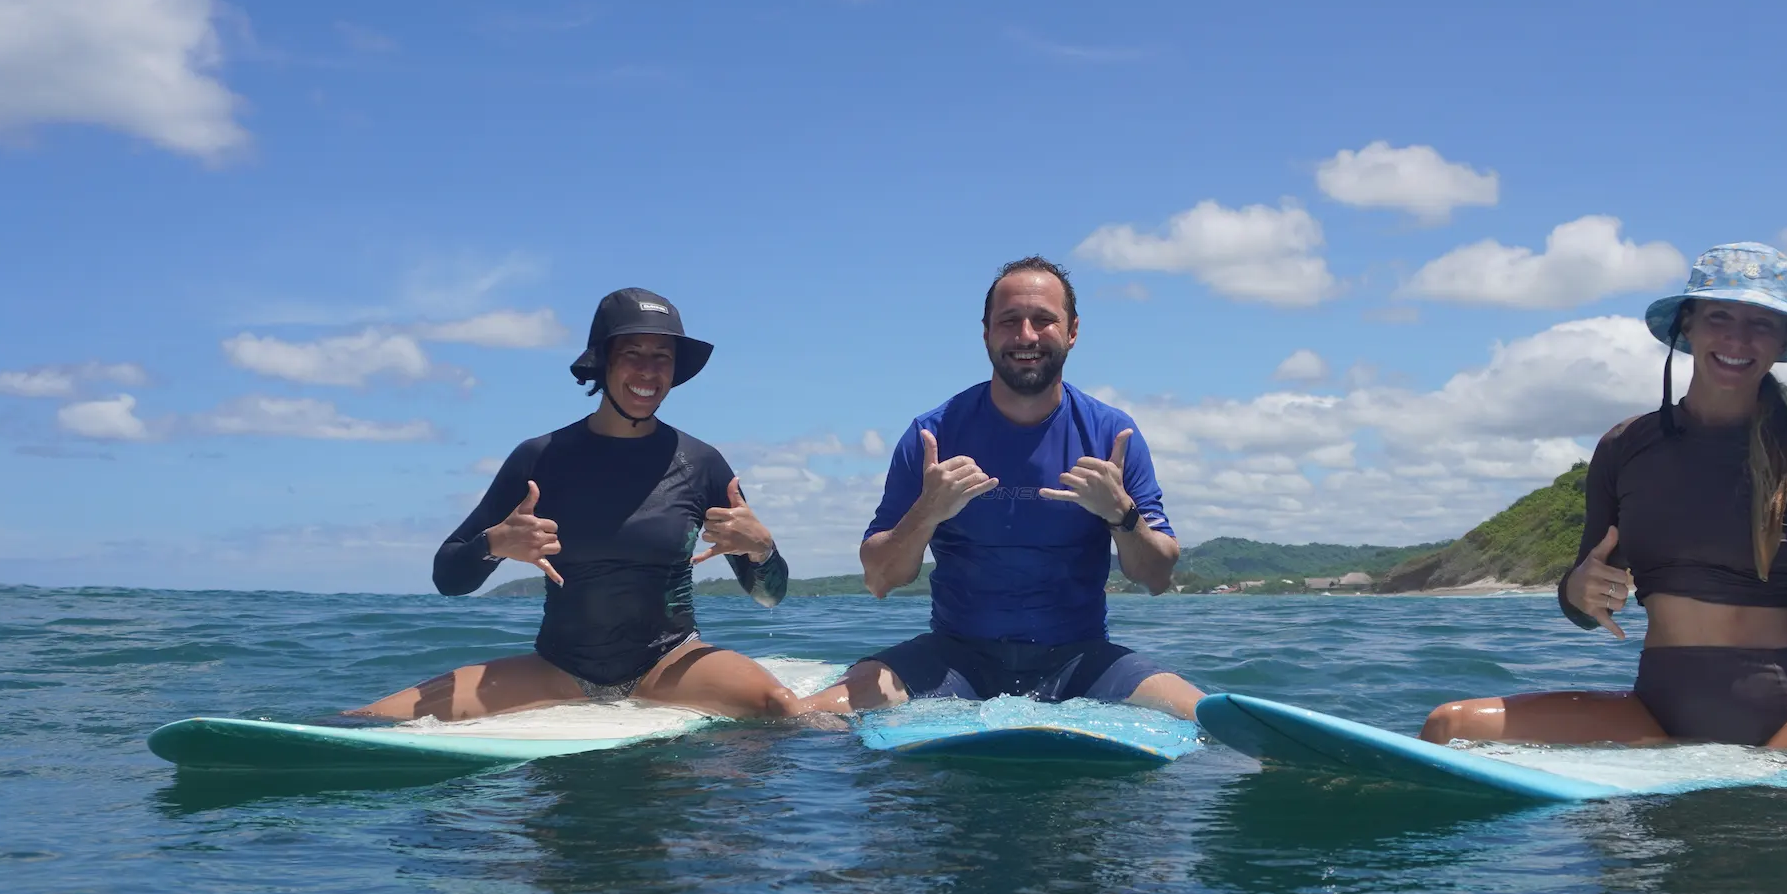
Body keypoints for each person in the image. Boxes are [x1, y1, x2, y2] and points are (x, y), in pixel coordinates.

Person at [1419, 242, 1787, 779]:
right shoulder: (1626, 446)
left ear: (1786, 339)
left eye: (1761, 324)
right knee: (1449, 725)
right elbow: (1584, 601)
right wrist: (1577, 591)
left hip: (1786, 713)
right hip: (1656, 708)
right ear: (1688, 326)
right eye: (1719, 317)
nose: (1736, 339)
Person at [355, 288, 804, 722]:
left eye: (661, 357)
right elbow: (448, 578)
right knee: (371, 719)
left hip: (671, 664)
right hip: (558, 669)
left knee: (780, 706)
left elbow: (769, 596)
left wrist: (761, 550)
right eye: (633, 353)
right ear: (603, 361)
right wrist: (494, 544)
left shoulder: (701, 464)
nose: (648, 371)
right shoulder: (541, 458)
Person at [806, 257, 1202, 719]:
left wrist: (1121, 514)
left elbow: (1156, 578)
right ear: (986, 333)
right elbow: (879, 580)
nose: (1026, 336)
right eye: (1009, 321)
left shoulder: (1113, 436)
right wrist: (926, 512)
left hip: (1081, 661)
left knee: (1203, 716)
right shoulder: (933, 436)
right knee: (804, 716)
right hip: (952, 660)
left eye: (1044, 320)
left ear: (1073, 331)